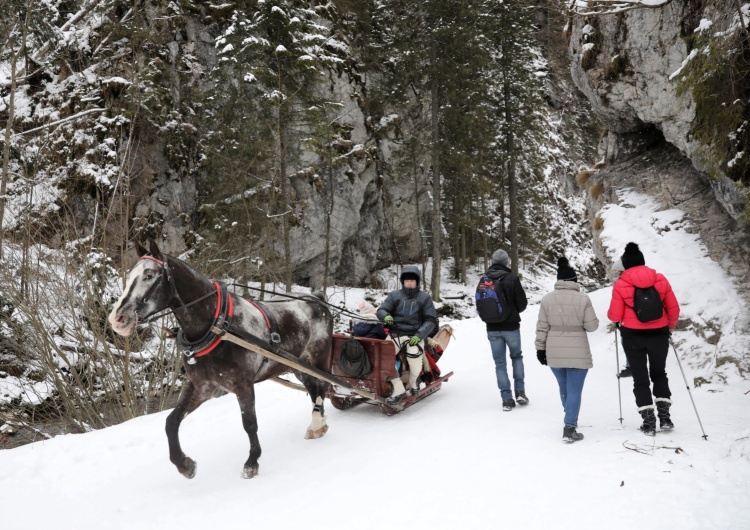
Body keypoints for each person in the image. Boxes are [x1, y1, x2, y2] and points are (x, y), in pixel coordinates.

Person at [607, 242, 680, 435]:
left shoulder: (621, 284)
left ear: (626, 265)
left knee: (640, 379)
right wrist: (668, 327)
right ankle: (665, 417)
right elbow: (673, 308)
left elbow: (614, 316)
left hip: (633, 337)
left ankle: (648, 422)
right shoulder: (660, 279)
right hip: (659, 335)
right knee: (659, 373)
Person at [535, 257, 599, 443]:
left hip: (554, 350)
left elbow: (542, 327)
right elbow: (592, 327)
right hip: (578, 351)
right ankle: (569, 427)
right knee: (574, 391)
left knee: (564, 388)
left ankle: (570, 417)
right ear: (574, 281)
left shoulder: (547, 299)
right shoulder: (583, 299)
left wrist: (540, 349)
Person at [377, 265, 437, 404]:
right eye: (407, 280)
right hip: (395, 334)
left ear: (417, 281)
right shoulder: (394, 295)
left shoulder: (424, 298)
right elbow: (382, 310)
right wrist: (385, 316)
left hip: (414, 336)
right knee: (383, 359)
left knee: (414, 359)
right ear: (402, 281)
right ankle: (398, 389)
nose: (409, 283)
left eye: (412, 280)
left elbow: (430, 320)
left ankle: (413, 383)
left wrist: (419, 335)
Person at [479, 249, 529, 411]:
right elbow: (522, 304)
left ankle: (506, 399)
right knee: (516, 357)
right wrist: (511, 311)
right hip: (511, 326)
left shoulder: (484, 279)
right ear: (506, 262)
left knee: (499, 363)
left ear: (492, 261)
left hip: (492, 328)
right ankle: (520, 392)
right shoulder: (512, 279)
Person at [610, 258, 632, 378]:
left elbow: (616, 306)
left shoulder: (621, 285)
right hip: (648, 320)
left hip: (628, 323)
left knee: (628, 343)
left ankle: (631, 367)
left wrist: (615, 319)